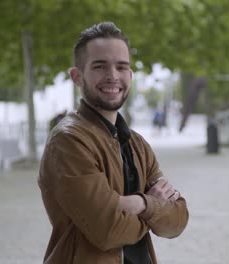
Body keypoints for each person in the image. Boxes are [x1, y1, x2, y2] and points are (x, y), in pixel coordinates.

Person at [38, 22, 189, 264]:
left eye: (122, 67)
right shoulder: (68, 140)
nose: (113, 76)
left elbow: (177, 221)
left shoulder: (138, 144)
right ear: (77, 76)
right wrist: (154, 207)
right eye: (99, 66)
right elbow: (108, 231)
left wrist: (139, 203)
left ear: (130, 76)